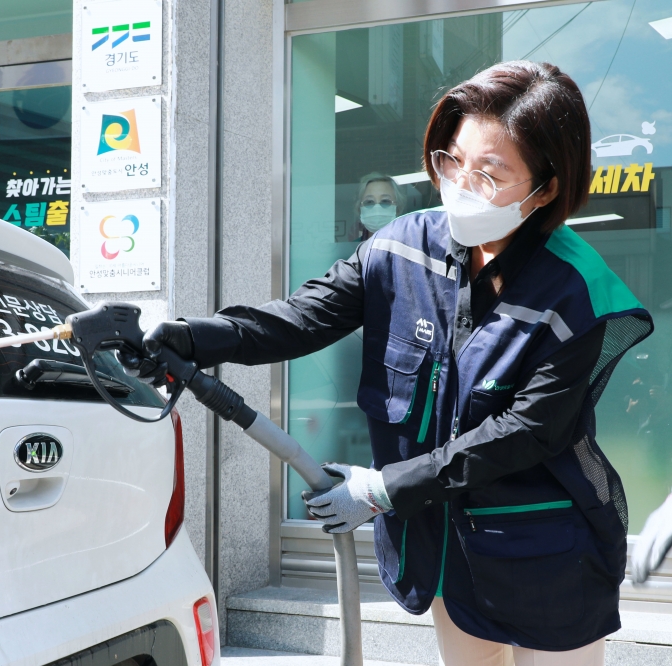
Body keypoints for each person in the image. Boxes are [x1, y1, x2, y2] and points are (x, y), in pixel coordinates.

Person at [119, 61, 653, 665]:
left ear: (547, 188)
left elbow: (528, 431)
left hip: (547, 550)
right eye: (453, 161)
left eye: (489, 173)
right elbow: (300, 318)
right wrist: (192, 338)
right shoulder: (400, 247)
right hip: (446, 547)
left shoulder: (579, 291)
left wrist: (380, 488)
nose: (461, 184)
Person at [354, 173, 405, 240]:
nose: (377, 209)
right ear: (359, 209)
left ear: (397, 208)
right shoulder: (353, 246)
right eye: (369, 202)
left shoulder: (406, 245)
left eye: (385, 201)